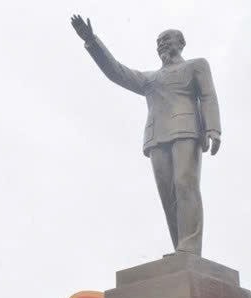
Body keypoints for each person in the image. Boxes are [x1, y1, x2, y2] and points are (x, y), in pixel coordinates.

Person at [70, 17, 221, 256]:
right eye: (158, 41)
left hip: (187, 130)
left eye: (166, 39)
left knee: (185, 184)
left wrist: (213, 128)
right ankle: (181, 250)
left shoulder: (196, 65)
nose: (161, 44)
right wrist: (92, 41)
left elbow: (208, 96)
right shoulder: (150, 79)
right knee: (168, 195)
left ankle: (190, 246)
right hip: (156, 137)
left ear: (180, 43)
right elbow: (116, 72)